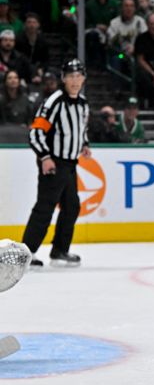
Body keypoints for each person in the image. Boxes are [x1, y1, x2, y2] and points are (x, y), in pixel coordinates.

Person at [22, 59, 91, 268]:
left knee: (72, 207)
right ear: (63, 78)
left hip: (70, 164)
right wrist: (45, 157)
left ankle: (60, 250)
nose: (75, 80)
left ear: (84, 78)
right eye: (70, 76)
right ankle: (26, 253)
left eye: (79, 76)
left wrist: (84, 144)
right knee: (45, 208)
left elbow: (81, 129)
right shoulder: (55, 101)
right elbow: (36, 132)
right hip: (53, 163)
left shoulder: (83, 103)